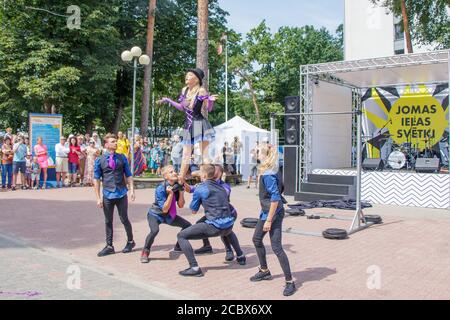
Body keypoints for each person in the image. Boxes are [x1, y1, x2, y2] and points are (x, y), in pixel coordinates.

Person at [176, 164, 244, 277]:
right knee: (220, 229)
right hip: (228, 224)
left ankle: (194, 267)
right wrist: (183, 183)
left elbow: (193, 211)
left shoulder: (203, 187)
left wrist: (192, 195)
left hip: (216, 225)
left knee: (181, 236)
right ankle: (239, 256)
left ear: (204, 175)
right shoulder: (222, 187)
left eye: (200, 172)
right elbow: (194, 189)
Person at [251, 144, 296, 297]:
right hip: (266, 212)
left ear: (264, 155)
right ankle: (264, 271)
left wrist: (269, 220)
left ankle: (290, 282)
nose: (254, 152)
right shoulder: (269, 169)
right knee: (257, 239)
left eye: (257, 151)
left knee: (276, 247)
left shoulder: (269, 174)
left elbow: (276, 198)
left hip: (273, 214)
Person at [158, 68, 217, 184]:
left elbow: (209, 109)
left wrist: (210, 100)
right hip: (187, 126)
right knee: (185, 155)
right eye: (187, 75)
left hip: (199, 123)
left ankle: (211, 180)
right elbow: (181, 107)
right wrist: (168, 100)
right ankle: (180, 180)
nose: (186, 76)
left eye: (189, 75)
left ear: (196, 79)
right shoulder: (184, 90)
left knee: (204, 154)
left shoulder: (201, 91)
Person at [93, 133, 135, 257]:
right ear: (106, 144)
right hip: (107, 194)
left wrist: (132, 189)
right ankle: (109, 245)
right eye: (112, 141)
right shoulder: (99, 160)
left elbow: (128, 175)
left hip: (121, 193)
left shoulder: (122, 158)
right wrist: (98, 198)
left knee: (124, 218)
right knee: (108, 220)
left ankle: (130, 241)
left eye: (116, 141)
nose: (115, 143)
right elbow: (96, 179)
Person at [140, 165, 192, 263]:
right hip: (156, 214)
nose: (174, 173)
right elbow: (164, 209)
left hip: (169, 215)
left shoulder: (177, 185)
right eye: (171, 172)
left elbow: (180, 205)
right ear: (165, 177)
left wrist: (181, 192)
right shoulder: (160, 188)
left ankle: (178, 246)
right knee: (154, 230)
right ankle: (145, 251)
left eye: (174, 171)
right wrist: (171, 194)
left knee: (187, 225)